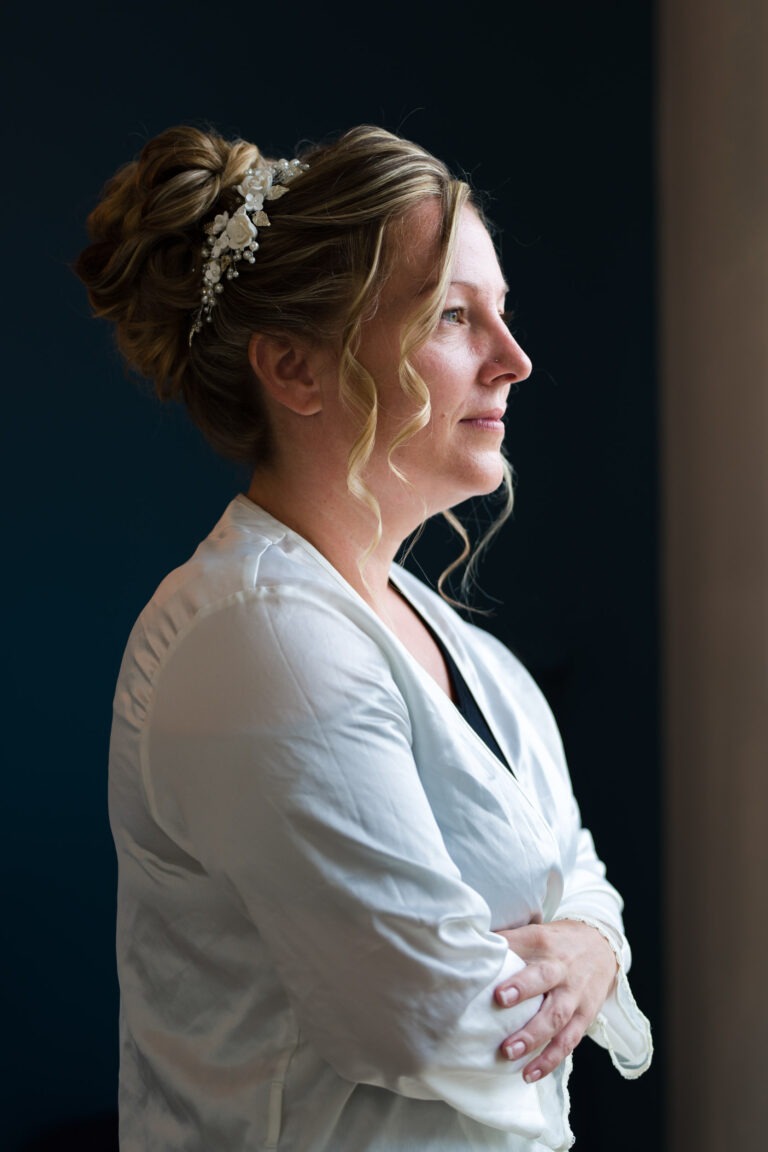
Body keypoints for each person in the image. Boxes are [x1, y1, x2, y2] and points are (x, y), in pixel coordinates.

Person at [75, 123, 652, 1151]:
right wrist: (585, 955)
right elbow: (436, 1023)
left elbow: (585, 877)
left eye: (502, 317)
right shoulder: (259, 643)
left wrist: (590, 948)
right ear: (294, 368)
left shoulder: (465, 653)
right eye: (453, 317)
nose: (515, 362)